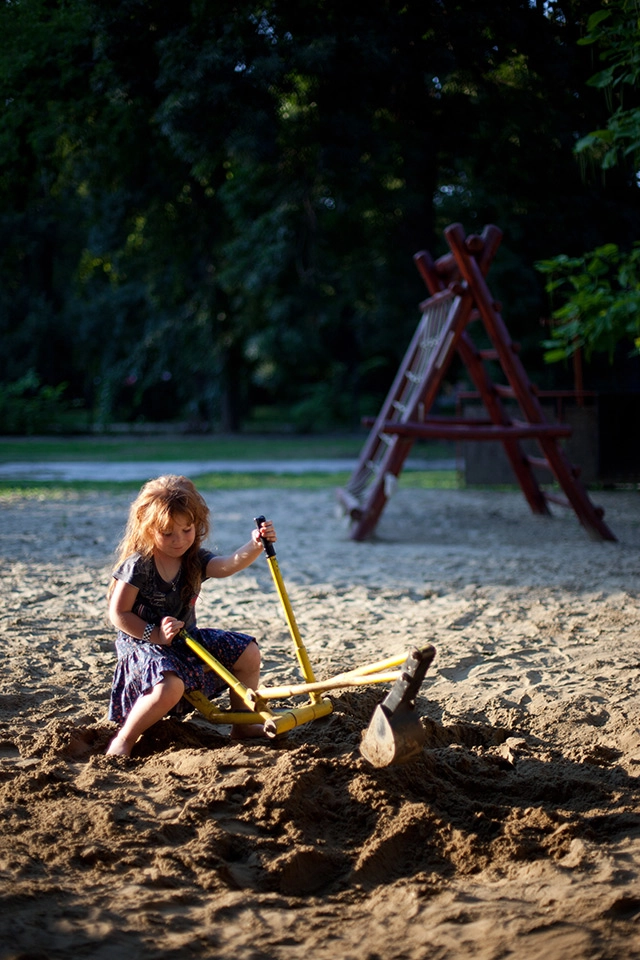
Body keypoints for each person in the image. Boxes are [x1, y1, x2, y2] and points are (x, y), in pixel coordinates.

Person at [105, 474, 276, 757]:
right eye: (168, 533)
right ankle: (125, 738)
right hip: (143, 645)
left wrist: (256, 545)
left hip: (185, 640)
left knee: (248, 652)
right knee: (170, 687)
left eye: (187, 530)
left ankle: (243, 724)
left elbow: (226, 566)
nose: (179, 540)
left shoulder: (193, 559)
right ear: (148, 530)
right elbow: (118, 613)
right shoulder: (139, 566)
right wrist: (155, 634)